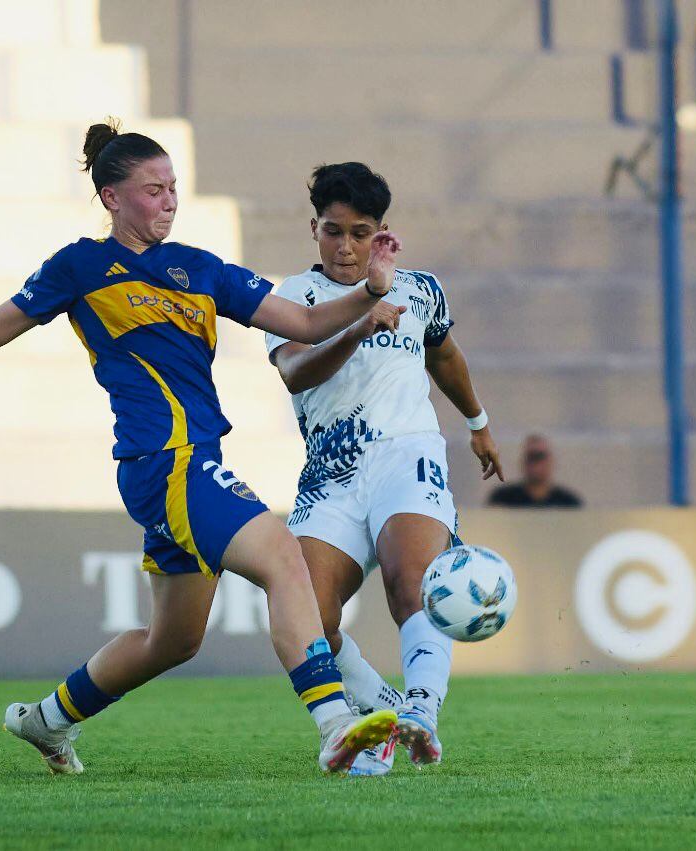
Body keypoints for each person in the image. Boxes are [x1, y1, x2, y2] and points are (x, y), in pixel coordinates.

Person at [0, 121, 410, 775]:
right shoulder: (80, 267)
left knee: (171, 641)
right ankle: (335, 722)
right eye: (153, 189)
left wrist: (368, 293)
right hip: (164, 461)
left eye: (174, 189)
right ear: (112, 197)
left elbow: (305, 322)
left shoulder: (199, 268)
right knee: (284, 556)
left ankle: (44, 720)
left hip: (192, 464)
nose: (169, 201)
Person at [265, 162, 503, 776]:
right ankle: (384, 716)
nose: (345, 247)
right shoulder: (292, 295)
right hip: (331, 470)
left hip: (408, 451)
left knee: (412, 581)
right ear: (313, 228)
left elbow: (443, 353)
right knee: (309, 619)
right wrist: (362, 318)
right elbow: (296, 371)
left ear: (382, 232)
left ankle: (422, 712)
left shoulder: (422, 289)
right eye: (332, 231)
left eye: (360, 232)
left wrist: (477, 425)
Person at [487, 435, 583, 508]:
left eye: (540, 457)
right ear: (523, 462)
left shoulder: (568, 503)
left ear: (551, 462)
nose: (536, 464)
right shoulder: (503, 499)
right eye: (531, 457)